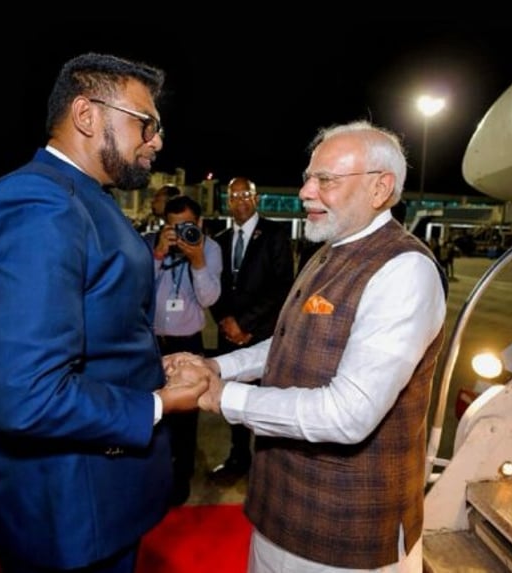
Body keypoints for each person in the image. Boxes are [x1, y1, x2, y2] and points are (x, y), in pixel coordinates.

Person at [0, 52, 207, 573]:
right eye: (147, 124)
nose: (157, 141)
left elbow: (96, 327)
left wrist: (145, 371)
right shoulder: (37, 204)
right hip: (68, 511)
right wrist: (157, 405)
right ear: (87, 115)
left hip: (95, 499)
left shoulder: (84, 198)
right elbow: (28, 396)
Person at [166, 120, 448, 572]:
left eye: (325, 180)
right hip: (279, 510)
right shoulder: (329, 249)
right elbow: (287, 342)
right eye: (308, 177)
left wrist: (221, 396)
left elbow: (348, 413)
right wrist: (218, 367)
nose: (305, 192)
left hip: (345, 532)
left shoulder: (403, 270)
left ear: (380, 188)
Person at [207, 176, 294, 481]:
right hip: (228, 335)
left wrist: (245, 325)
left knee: (265, 403)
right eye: (234, 195)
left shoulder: (275, 234)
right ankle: (237, 457)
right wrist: (225, 321)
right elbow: (211, 288)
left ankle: (267, 465)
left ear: (256, 199)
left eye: (246, 194)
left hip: (262, 337)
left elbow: (283, 287)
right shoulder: (218, 240)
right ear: (227, 202)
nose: (240, 200)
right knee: (232, 400)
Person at [144, 194, 222, 505]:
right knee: (153, 412)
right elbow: (137, 289)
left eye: (187, 226)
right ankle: (155, 473)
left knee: (186, 418)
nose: (180, 233)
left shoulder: (210, 249)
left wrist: (198, 261)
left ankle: (181, 477)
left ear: (199, 224)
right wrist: (159, 254)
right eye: (173, 226)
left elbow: (209, 299)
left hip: (187, 343)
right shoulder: (152, 245)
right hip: (152, 341)